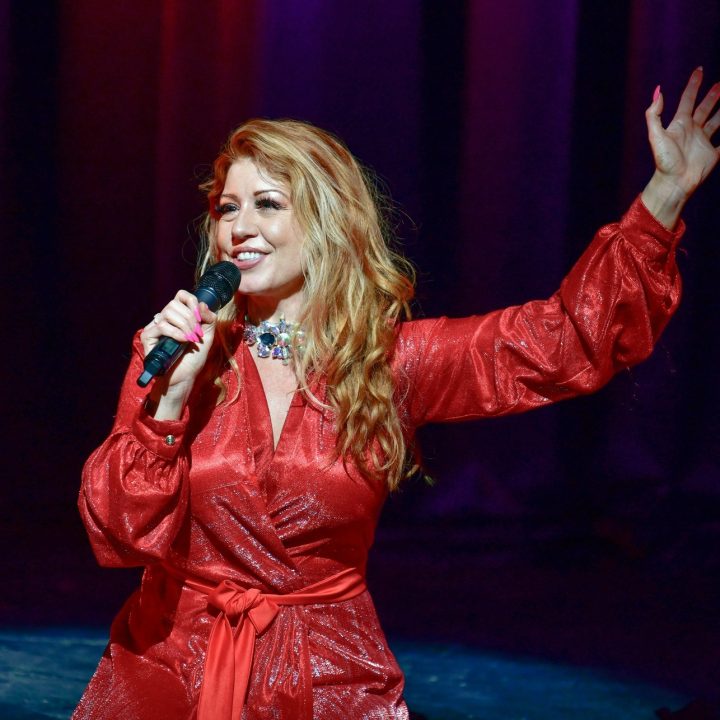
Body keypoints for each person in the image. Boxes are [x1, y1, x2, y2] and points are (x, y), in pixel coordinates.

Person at [74, 68, 719, 719]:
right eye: (226, 209)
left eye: (268, 204)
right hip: (172, 669)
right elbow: (118, 535)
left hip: (325, 677)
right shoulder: (177, 353)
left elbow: (559, 341)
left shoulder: (388, 362)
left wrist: (663, 195)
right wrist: (170, 402)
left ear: (325, 221)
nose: (238, 227)